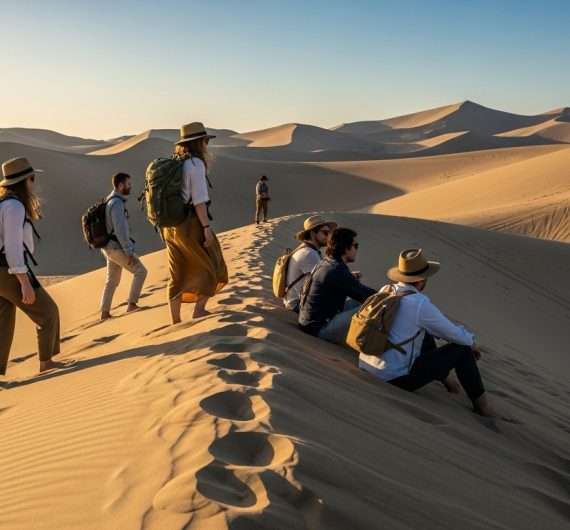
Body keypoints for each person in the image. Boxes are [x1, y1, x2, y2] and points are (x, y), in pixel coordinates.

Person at [359, 248, 495, 417]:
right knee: (463, 349)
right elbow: (455, 335)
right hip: (394, 378)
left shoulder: (387, 289)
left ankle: (452, 385)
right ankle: (483, 408)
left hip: (367, 365)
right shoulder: (419, 304)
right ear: (422, 279)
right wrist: (471, 341)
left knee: (424, 334)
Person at [0, 157, 63, 375]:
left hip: (2, 271)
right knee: (47, 313)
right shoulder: (14, 206)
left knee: (3, 322)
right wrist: (24, 281)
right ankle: (46, 363)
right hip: (7, 270)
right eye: (32, 178)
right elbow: (13, 247)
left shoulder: (3, 203)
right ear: (24, 181)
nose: (33, 183)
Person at [163, 122, 228, 324]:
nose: (207, 144)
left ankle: (175, 321)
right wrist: (206, 228)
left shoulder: (174, 162)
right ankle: (199, 310)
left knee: (177, 272)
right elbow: (199, 200)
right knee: (214, 264)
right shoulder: (195, 164)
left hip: (170, 226)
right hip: (190, 224)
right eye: (206, 140)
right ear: (199, 142)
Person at [299, 227, 375, 344]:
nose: (356, 250)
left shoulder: (328, 262)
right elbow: (367, 295)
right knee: (375, 305)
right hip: (319, 329)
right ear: (346, 248)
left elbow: (358, 290)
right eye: (355, 246)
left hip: (311, 322)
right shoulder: (336, 270)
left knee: (368, 301)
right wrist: (389, 296)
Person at [100, 172, 148, 320]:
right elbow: (120, 230)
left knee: (112, 280)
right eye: (128, 184)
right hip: (116, 248)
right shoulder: (117, 203)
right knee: (140, 271)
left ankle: (104, 312)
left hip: (108, 248)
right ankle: (132, 305)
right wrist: (129, 252)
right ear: (120, 186)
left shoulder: (109, 200)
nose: (130, 186)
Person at [284, 215, 336, 313]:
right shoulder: (309, 253)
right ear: (313, 234)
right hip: (297, 304)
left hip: (296, 301)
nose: (329, 237)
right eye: (325, 233)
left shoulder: (306, 249)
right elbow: (325, 282)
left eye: (330, 233)